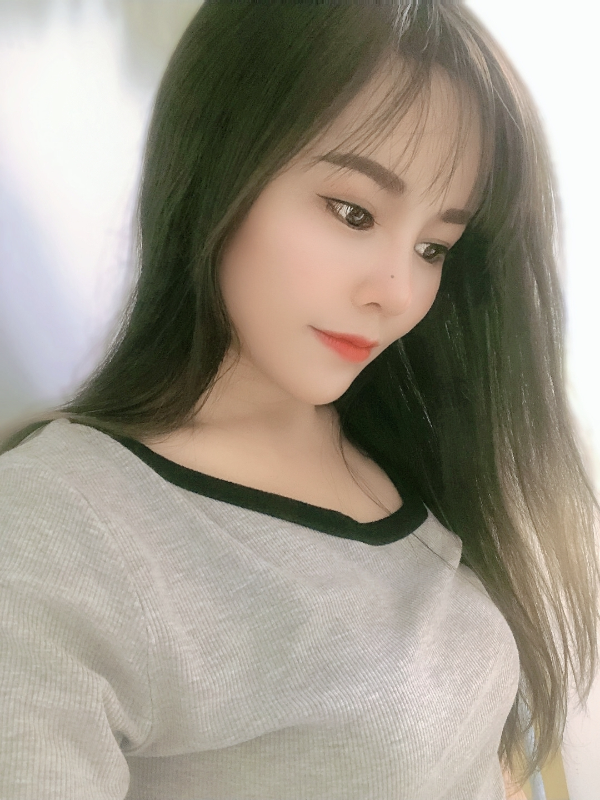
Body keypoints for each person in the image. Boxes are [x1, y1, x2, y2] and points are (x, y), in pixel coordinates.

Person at [0, 1, 597, 798]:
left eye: (434, 247)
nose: (398, 291)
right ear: (217, 168)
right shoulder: (61, 527)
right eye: (354, 213)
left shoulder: (409, 447)